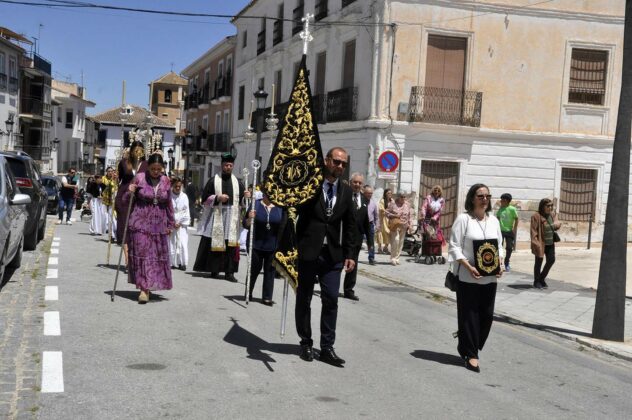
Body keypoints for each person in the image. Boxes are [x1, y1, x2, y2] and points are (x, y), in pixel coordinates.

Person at [295, 147, 357, 367]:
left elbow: (350, 226)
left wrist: (350, 254)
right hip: (308, 251)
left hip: (333, 255)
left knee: (331, 298)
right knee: (305, 298)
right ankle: (306, 342)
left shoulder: (346, 191)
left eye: (343, 164)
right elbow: (294, 213)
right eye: (336, 161)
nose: (340, 166)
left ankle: (327, 347)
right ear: (326, 161)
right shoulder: (310, 185)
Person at [448, 183, 504, 373]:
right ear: (472, 199)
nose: (484, 199)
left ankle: (466, 341)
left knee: (486, 317)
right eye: (480, 196)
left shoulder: (493, 220)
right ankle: (471, 355)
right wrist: (468, 267)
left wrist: (500, 263)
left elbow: (499, 246)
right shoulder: (464, 219)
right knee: (469, 316)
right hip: (468, 277)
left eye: (487, 196)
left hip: (490, 278)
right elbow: (454, 246)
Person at [124, 153, 174, 304]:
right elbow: (125, 200)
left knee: (154, 257)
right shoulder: (139, 178)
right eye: (153, 169)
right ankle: (143, 289)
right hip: (140, 222)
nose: (156, 172)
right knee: (143, 255)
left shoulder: (166, 181)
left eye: (159, 169)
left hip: (159, 223)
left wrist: (170, 223)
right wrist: (130, 191)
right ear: (148, 167)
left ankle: (149, 283)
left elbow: (169, 203)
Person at [194, 153, 249, 282]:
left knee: (231, 246)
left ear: (233, 166)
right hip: (217, 215)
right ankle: (215, 269)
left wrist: (246, 197)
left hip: (232, 217)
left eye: (230, 165)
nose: (228, 167)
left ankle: (230, 272)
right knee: (215, 242)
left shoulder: (238, 182)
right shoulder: (213, 181)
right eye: (226, 165)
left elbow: (243, 203)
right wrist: (218, 198)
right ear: (222, 165)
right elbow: (204, 199)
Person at [244, 193, 287, 305]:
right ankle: (248, 292)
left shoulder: (280, 207)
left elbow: (283, 226)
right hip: (255, 244)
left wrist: (282, 244)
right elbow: (245, 224)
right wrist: (250, 218)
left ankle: (267, 297)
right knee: (254, 269)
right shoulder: (255, 204)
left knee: (270, 271)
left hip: (273, 245)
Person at [342, 173, 370, 301]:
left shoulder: (364, 200)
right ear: (350, 182)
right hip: (342, 237)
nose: (357, 185)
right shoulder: (343, 196)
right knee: (337, 263)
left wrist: (370, 241)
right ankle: (330, 286)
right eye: (355, 182)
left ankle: (349, 290)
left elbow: (366, 221)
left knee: (353, 265)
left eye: (360, 183)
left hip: (357, 239)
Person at [116, 141, 148, 246]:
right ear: (131, 151)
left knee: (137, 228)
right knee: (124, 227)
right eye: (135, 150)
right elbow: (119, 179)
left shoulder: (146, 164)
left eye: (140, 150)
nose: (137, 152)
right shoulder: (124, 163)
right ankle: (126, 254)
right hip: (124, 197)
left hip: (139, 199)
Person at [530, 198, 560, 290]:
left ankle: (541, 278)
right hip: (540, 243)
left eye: (551, 206)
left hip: (550, 243)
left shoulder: (552, 214)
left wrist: (557, 224)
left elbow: (557, 225)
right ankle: (536, 281)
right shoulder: (536, 216)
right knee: (538, 262)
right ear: (542, 206)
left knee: (551, 260)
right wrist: (536, 243)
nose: (550, 207)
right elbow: (533, 231)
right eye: (548, 206)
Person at [169, 177, 190, 271]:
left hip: (181, 224)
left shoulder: (184, 196)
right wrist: (172, 222)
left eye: (179, 186)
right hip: (172, 223)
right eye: (176, 186)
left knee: (182, 243)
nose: (177, 188)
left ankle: (182, 262)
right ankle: (172, 262)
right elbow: (167, 210)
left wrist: (180, 222)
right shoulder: (169, 196)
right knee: (171, 243)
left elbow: (186, 211)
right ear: (172, 186)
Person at [385, 193, 412, 265]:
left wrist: (410, 225)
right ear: (398, 197)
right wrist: (394, 215)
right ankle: (393, 258)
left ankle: (397, 258)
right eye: (401, 197)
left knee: (401, 242)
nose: (403, 198)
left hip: (404, 225)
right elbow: (386, 212)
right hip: (395, 225)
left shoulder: (407, 205)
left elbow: (409, 215)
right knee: (396, 240)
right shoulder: (393, 204)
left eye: (404, 197)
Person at [496, 193, 519, 272]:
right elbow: (498, 218)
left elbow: (516, 218)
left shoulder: (512, 209)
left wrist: (514, 229)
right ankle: (499, 263)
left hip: (509, 231)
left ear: (506, 201)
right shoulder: (500, 209)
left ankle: (506, 263)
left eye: (502, 200)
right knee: (499, 247)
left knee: (509, 248)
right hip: (500, 231)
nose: (500, 201)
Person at [363, 185, 379, 266]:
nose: (370, 195)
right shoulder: (360, 201)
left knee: (371, 242)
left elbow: (376, 216)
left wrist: (377, 225)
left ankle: (371, 258)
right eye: (368, 193)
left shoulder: (373, 203)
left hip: (370, 224)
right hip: (361, 224)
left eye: (371, 193)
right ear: (364, 193)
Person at [101, 167, 118, 241]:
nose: (111, 173)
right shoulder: (104, 179)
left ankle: (115, 235)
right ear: (106, 172)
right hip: (107, 202)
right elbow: (105, 188)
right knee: (108, 218)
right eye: (109, 171)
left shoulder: (117, 180)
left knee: (114, 219)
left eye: (112, 171)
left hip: (115, 202)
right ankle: (111, 235)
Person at [377, 188, 393, 254]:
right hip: (383, 219)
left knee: (389, 233)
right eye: (388, 193)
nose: (390, 194)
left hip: (389, 219)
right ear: (385, 194)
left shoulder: (392, 201)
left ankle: (386, 247)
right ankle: (379, 248)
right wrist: (387, 212)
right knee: (381, 232)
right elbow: (381, 209)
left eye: (391, 193)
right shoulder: (382, 200)